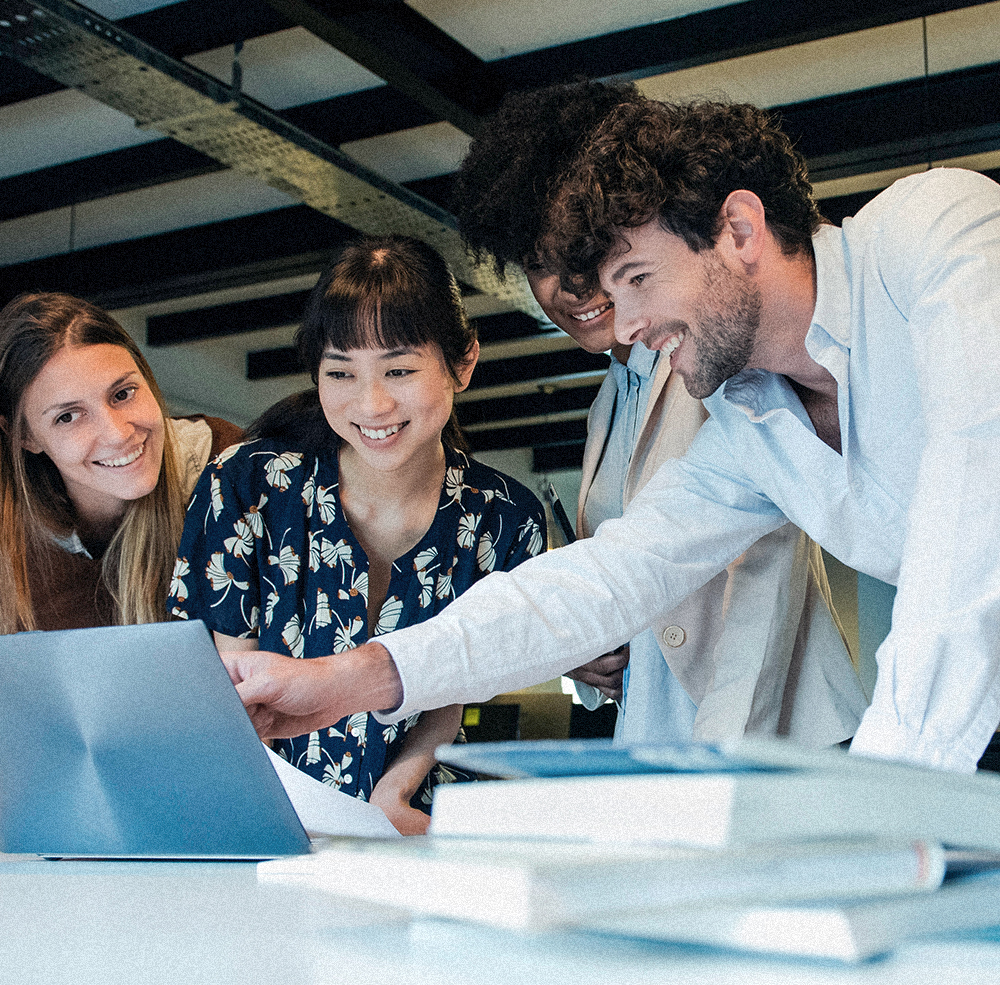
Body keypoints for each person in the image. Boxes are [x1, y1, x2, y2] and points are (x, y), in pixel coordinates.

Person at [220, 98, 1000, 775]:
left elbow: (977, 491)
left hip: (924, 733)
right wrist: (348, 679)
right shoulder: (749, 419)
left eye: (637, 279)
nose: (624, 324)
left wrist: (887, 796)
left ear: (737, 228)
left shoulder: (936, 232)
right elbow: (605, 578)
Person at [450, 80, 864, 745]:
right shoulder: (610, 400)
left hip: (767, 739)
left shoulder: (716, 359)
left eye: (583, 252)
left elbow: (761, 580)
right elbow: (621, 577)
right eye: (539, 263)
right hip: (658, 736)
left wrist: (716, 764)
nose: (573, 286)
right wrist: (586, 655)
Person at [169, 235, 546, 833]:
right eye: (340, 372)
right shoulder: (244, 486)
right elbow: (236, 694)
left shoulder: (506, 517)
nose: (372, 404)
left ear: (463, 362)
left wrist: (393, 796)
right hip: (265, 809)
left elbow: (450, 690)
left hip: (415, 809)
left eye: (398, 369)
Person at [0, 291, 240, 634]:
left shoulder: (234, 465)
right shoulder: (12, 530)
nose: (117, 433)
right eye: (68, 416)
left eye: (123, 393)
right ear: (25, 436)